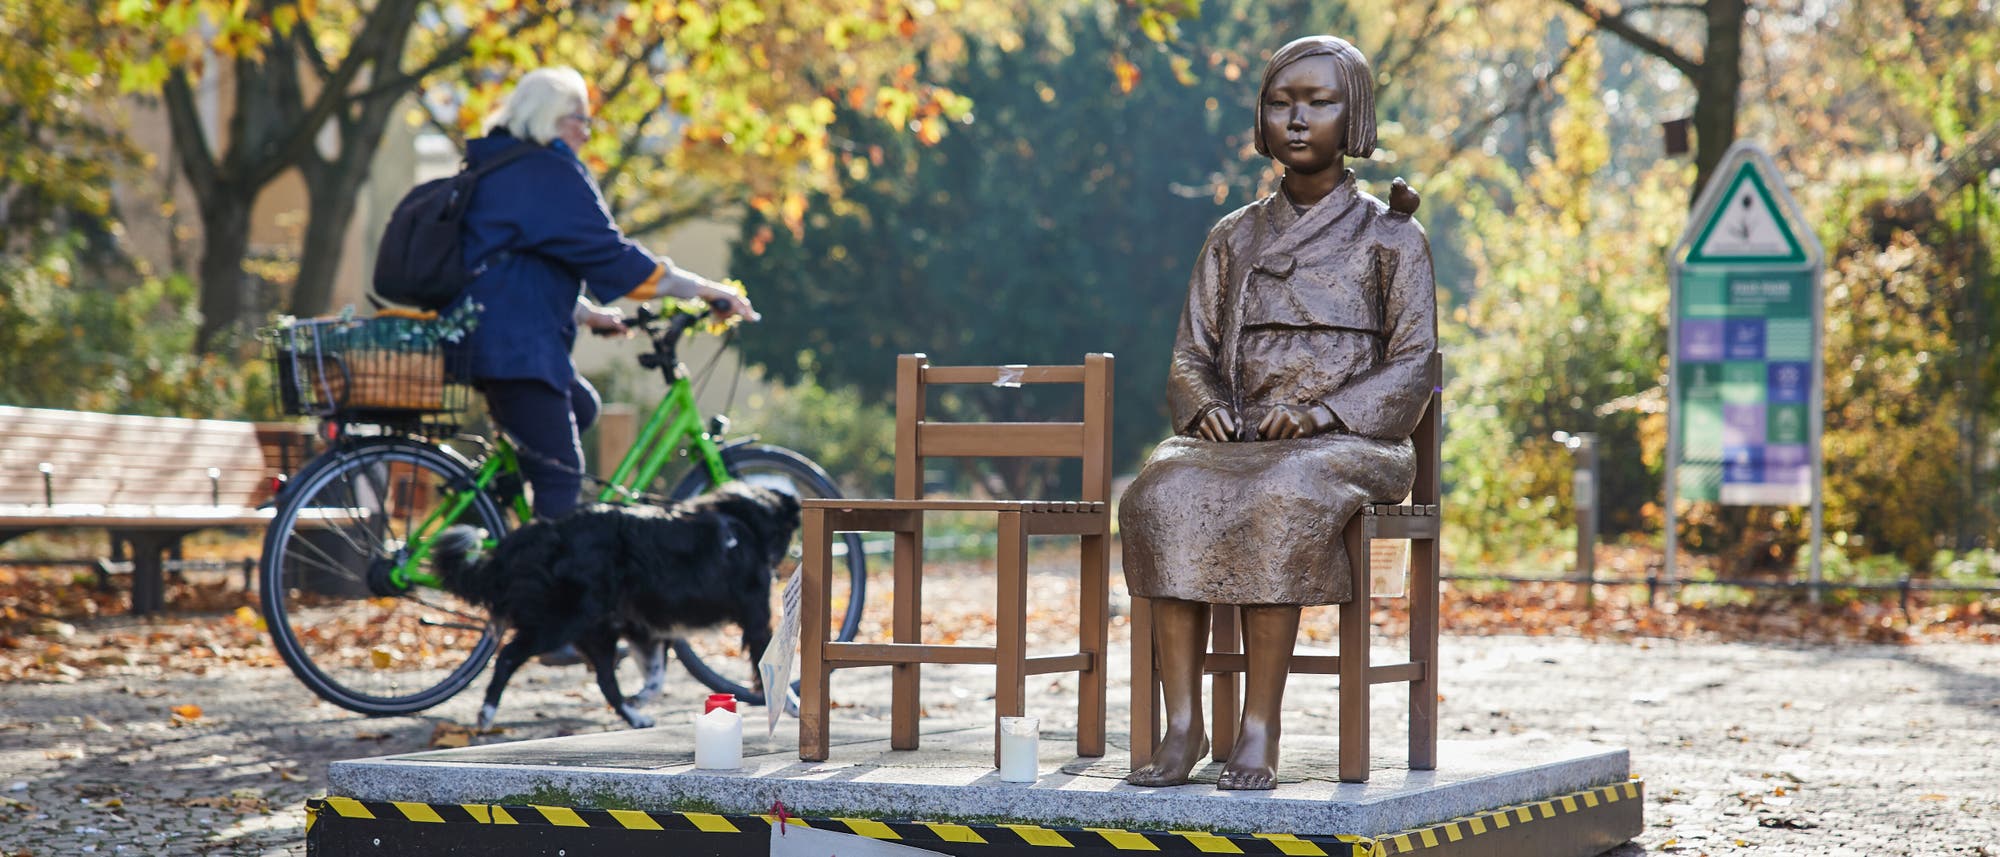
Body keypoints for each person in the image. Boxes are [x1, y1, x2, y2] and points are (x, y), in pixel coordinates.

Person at [1117, 35, 1437, 790]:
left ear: (1352, 114)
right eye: (1280, 103)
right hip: (1239, 439)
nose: (1296, 120)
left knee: (1280, 491)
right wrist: (1203, 409)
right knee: (1160, 489)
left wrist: (1326, 412)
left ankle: (1259, 723)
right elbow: (1188, 355)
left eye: (1318, 102)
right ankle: (1185, 724)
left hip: (1353, 444)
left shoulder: (1391, 236)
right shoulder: (1232, 236)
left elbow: (1415, 362)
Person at [455, 66, 758, 524]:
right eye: (582, 120)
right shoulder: (548, 174)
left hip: (486, 337)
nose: (586, 133)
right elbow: (618, 261)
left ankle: (487, 531)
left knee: (580, 406)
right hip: (515, 350)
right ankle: (539, 589)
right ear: (553, 120)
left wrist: (586, 314)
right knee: (561, 477)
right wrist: (707, 289)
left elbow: (513, 268)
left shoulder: (499, 168)